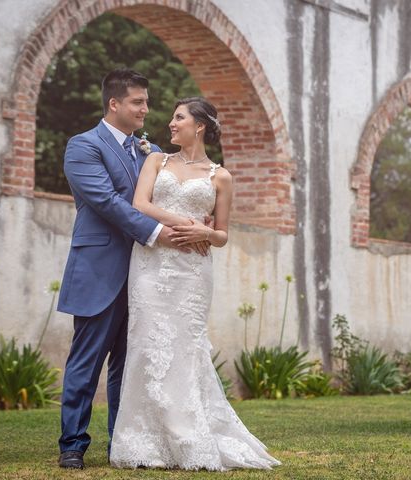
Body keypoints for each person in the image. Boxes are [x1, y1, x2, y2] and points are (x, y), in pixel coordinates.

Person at [109, 97, 280, 471]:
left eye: (179, 118)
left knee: (185, 348)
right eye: (172, 118)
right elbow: (139, 205)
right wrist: (188, 224)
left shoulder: (221, 176)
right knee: (146, 345)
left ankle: (188, 437)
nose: (171, 124)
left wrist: (206, 231)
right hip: (151, 266)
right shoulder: (157, 161)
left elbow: (221, 236)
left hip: (193, 272)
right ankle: (143, 444)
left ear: (199, 125)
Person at [56, 69, 208, 470]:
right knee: (85, 363)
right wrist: (160, 232)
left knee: (133, 364)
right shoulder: (82, 146)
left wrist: (197, 224)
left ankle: (123, 444)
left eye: (146, 101)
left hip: (150, 276)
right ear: (115, 104)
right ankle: (72, 444)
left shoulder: (152, 149)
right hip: (100, 269)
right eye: (138, 102)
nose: (146, 108)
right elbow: (106, 201)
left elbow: (174, 191)